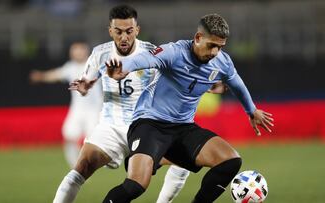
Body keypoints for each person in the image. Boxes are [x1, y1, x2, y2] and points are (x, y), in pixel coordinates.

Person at [102, 13, 274, 203]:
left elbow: (237, 85)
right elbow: (142, 60)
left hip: (183, 128)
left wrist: (252, 111)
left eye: (220, 46)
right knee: (135, 185)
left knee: (230, 161)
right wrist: (121, 68)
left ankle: (157, 156)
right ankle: (152, 154)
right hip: (150, 124)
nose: (216, 52)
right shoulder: (174, 52)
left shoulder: (222, 62)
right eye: (212, 45)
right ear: (198, 38)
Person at [53, 5, 200, 203]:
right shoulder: (100, 53)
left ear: (137, 30)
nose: (124, 37)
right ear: (110, 30)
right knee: (80, 169)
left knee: (184, 161)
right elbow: (87, 81)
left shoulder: (151, 53)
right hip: (111, 127)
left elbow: (173, 79)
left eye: (129, 31)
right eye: (119, 31)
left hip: (147, 127)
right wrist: (85, 87)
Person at [29, 42, 103, 168]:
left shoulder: (95, 65)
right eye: (75, 50)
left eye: (80, 50)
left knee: (93, 140)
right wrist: (41, 76)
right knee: (69, 135)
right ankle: (76, 167)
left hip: (94, 109)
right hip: (77, 109)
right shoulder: (70, 67)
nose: (77, 53)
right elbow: (56, 75)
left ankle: (95, 163)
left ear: (86, 51)